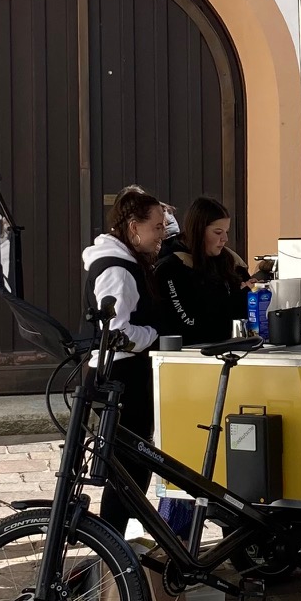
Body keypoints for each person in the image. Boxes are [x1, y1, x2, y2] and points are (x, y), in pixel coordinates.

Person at [82, 185, 168, 534]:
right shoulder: (117, 269)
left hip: (125, 374)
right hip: (119, 376)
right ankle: (114, 541)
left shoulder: (127, 258)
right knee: (128, 466)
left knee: (132, 462)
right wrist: (155, 334)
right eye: (157, 227)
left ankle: (121, 540)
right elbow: (116, 333)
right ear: (134, 227)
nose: (163, 234)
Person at [156, 197, 250, 343]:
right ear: (198, 231)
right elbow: (188, 325)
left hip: (233, 349)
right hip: (191, 356)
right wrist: (236, 301)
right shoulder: (171, 268)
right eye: (218, 232)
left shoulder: (230, 260)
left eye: (226, 232)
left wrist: (253, 294)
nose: (225, 238)